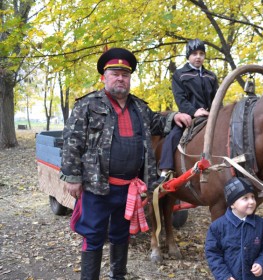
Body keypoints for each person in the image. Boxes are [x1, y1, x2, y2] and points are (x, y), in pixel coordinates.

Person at [59, 47, 192, 280]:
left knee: (121, 234)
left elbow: (158, 124)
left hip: (130, 188)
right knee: (93, 234)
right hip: (97, 186)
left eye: (125, 74)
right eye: (115, 73)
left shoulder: (139, 107)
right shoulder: (87, 105)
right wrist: (72, 177)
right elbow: (72, 142)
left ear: (130, 78)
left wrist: (175, 117)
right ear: (104, 77)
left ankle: (117, 276)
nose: (121, 78)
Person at [153, 38, 218, 187]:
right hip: (189, 115)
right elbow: (180, 99)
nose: (198, 57)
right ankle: (165, 170)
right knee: (174, 135)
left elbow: (216, 98)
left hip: (209, 115)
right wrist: (195, 111)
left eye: (201, 53)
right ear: (188, 56)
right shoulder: (180, 74)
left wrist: (214, 112)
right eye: (194, 53)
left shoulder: (211, 76)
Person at [205, 177, 263, 280]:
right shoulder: (217, 227)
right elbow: (213, 254)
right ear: (232, 204)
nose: (251, 201)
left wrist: (261, 263)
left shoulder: (261, 225)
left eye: (252, 197)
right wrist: (224, 276)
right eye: (245, 198)